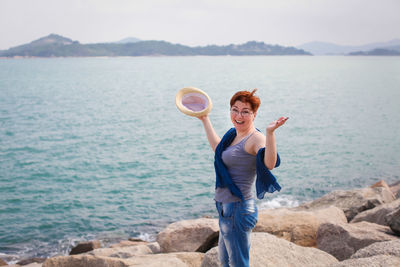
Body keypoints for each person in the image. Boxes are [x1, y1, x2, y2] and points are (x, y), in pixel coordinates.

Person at [198, 89, 288, 267]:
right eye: (234, 109)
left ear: (254, 115)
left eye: (245, 111)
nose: (239, 115)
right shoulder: (234, 134)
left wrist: (270, 134)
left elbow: (269, 163)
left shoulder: (256, 138)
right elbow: (219, 149)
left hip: (238, 208)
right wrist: (204, 119)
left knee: (238, 264)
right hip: (225, 207)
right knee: (224, 261)